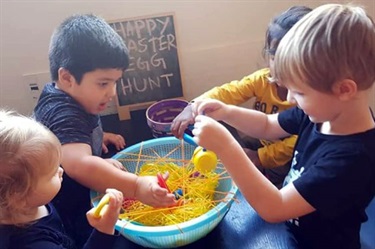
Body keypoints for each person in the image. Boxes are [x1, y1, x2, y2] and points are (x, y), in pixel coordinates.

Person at [189, 4, 375, 249]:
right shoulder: (325, 113)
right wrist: (226, 111)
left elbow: (274, 208)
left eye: (298, 92)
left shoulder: (352, 159)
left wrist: (225, 146)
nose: (289, 100)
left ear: (344, 90)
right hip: (288, 229)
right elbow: (268, 124)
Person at [33, 14, 176, 247]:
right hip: (72, 209)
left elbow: (70, 138)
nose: (112, 92)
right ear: (67, 77)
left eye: (115, 82)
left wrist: (97, 137)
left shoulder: (67, 95)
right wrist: (136, 186)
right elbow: (78, 164)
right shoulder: (62, 112)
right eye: (103, 83)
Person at [171, 6, 312, 188]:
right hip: (264, 140)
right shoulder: (263, 79)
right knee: (225, 124)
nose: (279, 64)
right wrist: (194, 106)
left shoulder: (312, 106)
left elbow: (295, 143)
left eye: (289, 56)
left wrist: (260, 158)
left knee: (273, 182)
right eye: (274, 54)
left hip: (287, 159)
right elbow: (229, 92)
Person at [0, 110, 124, 249]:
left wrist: (97, 165)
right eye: (52, 172)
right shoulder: (36, 244)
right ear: (18, 197)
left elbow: (68, 181)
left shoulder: (27, 198)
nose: (61, 171)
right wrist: (104, 231)